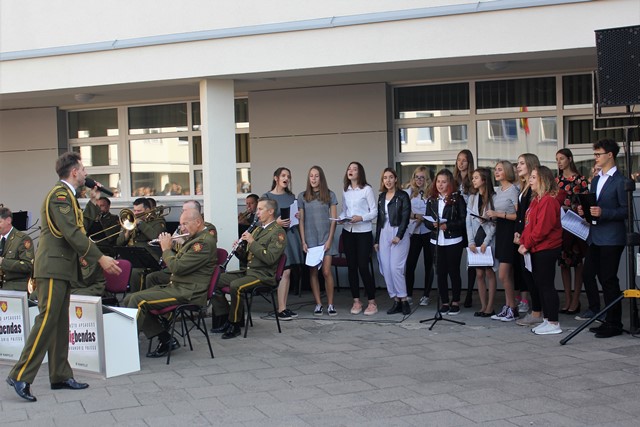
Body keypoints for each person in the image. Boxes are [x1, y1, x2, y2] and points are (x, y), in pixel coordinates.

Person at [6, 152, 121, 402]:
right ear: (74, 172)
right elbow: (72, 233)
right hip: (52, 268)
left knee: (59, 323)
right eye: (83, 169)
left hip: (61, 269)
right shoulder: (59, 195)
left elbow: (78, 227)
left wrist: (93, 202)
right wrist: (100, 257)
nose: (86, 174)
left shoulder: (68, 196)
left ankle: (59, 375)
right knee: (47, 320)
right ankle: (20, 375)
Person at [124, 208, 217, 357]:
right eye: (181, 224)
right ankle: (166, 339)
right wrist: (171, 247)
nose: (182, 228)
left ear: (198, 222)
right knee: (129, 298)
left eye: (185, 224)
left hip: (189, 292)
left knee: (137, 300)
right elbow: (180, 263)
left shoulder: (203, 243)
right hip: (178, 286)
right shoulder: (194, 238)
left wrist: (166, 249)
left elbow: (177, 267)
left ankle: (124, 348)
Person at [210, 198, 286, 339]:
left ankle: (234, 324)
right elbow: (247, 258)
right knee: (214, 281)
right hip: (249, 271)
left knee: (236, 286)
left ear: (271, 211)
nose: (257, 213)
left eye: (260, 209)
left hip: (263, 275)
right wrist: (239, 250)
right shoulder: (257, 230)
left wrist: (252, 241)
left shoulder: (278, 232)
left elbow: (270, 258)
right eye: (257, 210)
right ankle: (226, 317)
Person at [577, 139, 628, 338]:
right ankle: (600, 313)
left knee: (608, 279)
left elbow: (626, 210)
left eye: (599, 154)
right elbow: (594, 205)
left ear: (610, 155)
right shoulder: (596, 180)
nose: (596, 157)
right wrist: (585, 211)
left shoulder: (621, 181)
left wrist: (603, 212)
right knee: (588, 273)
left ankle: (614, 323)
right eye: (595, 154)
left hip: (612, 238)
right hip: (596, 236)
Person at [515, 166, 563, 335]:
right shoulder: (537, 200)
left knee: (546, 285)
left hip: (546, 248)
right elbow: (529, 225)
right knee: (540, 285)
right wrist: (523, 240)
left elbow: (542, 228)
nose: (530, 180)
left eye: (534, 177)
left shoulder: (548, 201)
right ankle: (547, 319)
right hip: (536, 248)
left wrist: (526, 244)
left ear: (543, 179)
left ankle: (553, 322)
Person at [145, 200, 217, 289]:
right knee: (151, 277)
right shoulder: (184, 227)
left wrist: (181, 242)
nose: (183, 213)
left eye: (186, 211)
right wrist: (169, 244)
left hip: (188, 272)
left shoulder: (207, 228)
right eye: (182, 211)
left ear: (196, 212)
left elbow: (198, 248)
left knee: (152, 280)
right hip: (178, 265)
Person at [262, 167, 303, 321]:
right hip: (275, 238)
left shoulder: (292, 197)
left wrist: (298, 216)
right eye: (283, 175)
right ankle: (281, 308)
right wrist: (276, 223)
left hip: (290, 236)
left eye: (288, 176)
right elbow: (260, 220)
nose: (286, 178)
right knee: (282, 272)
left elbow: (295, 217)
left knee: (287, 271)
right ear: (276, 178)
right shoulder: (267, 197)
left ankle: (282, 307)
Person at [298, 166, 339, 316]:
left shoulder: (330, 195)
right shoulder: (302, 196)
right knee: (313, 272)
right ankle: (318, 304)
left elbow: (334, 220)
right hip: (310, 239)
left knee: (326, 272)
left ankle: (330, 304)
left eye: (316, 176)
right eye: (311, 176)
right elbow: (301, 221)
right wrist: (303, 241)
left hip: (325, 239)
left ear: (321, 178)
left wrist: (330, 240)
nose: (314, 179)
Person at [425, 169, 466, 315]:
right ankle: (444, 301)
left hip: (453, 240)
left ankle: (455, 301)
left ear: (450, 183)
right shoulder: (432, 199)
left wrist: (447, 225)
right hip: (436, 240)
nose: (440, 185)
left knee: (453, 271)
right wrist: (432, 225)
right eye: (438, 181)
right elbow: (426, 220)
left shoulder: (457, 199)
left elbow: (463, 220)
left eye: (444, 182)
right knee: (440, 272)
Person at [340, 162, 378, 315]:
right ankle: (356, 301)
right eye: (349, 169)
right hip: (348, 231)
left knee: (363, 266)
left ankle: (372, 302)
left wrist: (361, 218)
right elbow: (344, 211)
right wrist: (341, 218)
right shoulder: (345, 190)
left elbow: (374, 212)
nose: (351, 171)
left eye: (354, 169)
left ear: (359, 173)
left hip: (363, 232)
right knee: (351, 267)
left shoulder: (367, 189)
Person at [555, 148, 589, 315]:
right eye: (557, 159)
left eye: (562, 158)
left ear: (569, 159)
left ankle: (576, 299)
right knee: (564, 263)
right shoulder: (556, 181)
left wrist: (573, 208)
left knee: (578, 263)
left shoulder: (580, 180)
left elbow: (586, 202)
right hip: (562, 226)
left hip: (576, 224)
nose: (559, 162)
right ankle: (567, 299)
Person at [485, 161, 520, 321]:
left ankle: (513, 307)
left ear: (507, 171)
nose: (496, 172)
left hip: (510, 232)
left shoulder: (513, 190)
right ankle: (508, 306)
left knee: (503, 274)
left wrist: (498, 214)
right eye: (495, 170)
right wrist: (490, 216)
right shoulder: (498, 191)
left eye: (500, 169)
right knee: (507, 274)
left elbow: (519, 216)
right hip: (500, 231)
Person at [374, 168, 411, 315]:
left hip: (398, 232)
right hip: (384, 232)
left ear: (395, 179)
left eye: (390, 177)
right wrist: (377, 240)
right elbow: (379, 219)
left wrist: (399, 235)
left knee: (396, 268)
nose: (388, 180)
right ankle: (396, 300)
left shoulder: (402, 196)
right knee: (386, 268)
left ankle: (404, 299)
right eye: (385, 178)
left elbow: (405, 217)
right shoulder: (381, 197)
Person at [466, 168, 498, 318]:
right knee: (479, 273)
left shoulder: (493, 197)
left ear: (484, 179)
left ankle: (490, 307)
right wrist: (470, 242)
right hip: (475, 238)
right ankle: (483, 306)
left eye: (476, 177)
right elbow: (468, 222)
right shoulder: (472, 198)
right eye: (473, 178)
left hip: (488, 239)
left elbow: (494, 224)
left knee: (489, 272)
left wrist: (486, 242)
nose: (473, 180)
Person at [116, 197, 166, 292]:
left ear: (147, 210)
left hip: (148, 257)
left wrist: (141, 224)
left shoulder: (158, 221)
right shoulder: (130, 221)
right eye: (134, 210)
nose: (135, 213)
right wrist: (127, 232)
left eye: (139, 211)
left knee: (135, 272)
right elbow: (119, 243)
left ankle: (136, 296)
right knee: (115, 265)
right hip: (132, 255)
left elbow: (156, 237)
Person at [512, 153, 540, 322]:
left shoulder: (534, 189)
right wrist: (517, 231)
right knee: (526, 274)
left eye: (522, 163)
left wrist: (524, 235)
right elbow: (520, 214)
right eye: (518, 163)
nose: (518, 166)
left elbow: (531, 217)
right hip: (522, 237)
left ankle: (538, 312)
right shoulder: (523, 187)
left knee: (533, 276)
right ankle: (536, 310)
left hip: (531, 239)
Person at [404, 166, 434, 306]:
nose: (419, 180)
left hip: (428, 231)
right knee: (410, 263)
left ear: (427, 179)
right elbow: (405, 212)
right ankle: (408, 294)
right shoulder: (409, 192)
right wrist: (417, 216)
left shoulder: (431, 193)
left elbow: (434, 211)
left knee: (429, 264)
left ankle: (426, 295)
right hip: (414, 231)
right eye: (417, 177)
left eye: (422, 177)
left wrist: (424, 217)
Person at [454, 149, 476, 308]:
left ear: (469, 162)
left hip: (470, 222)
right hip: (456, 222)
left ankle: (469, 293)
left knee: (471, 260)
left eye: (464, 160)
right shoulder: (453, 180)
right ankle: (456, 293)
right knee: (455, 259)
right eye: (458, 160)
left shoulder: (473, 179)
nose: (460, 163)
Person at [0, 207, 34, 291]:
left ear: (8, 220)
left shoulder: (22, 239)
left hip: (15, 288)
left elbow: (28, 265)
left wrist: (3, 262)